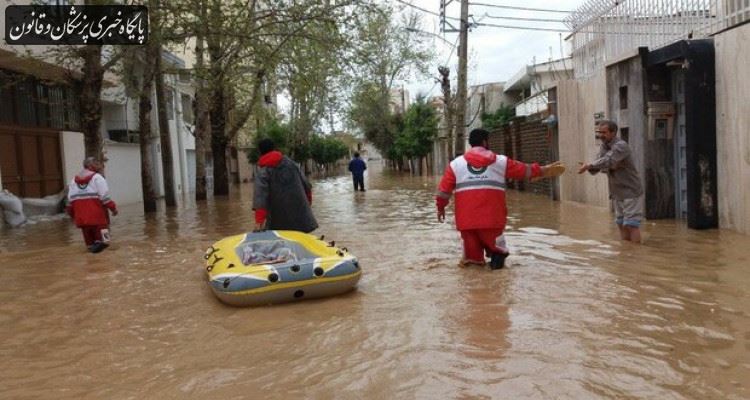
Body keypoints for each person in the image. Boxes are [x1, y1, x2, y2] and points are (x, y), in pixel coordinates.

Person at [436, 129, 564, 269]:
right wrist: (542, 170)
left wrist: (440, 208)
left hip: (466, 224)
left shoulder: (455, 165)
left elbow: (443, 192)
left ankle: (474, 288)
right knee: (498, 254)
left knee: (472, 264)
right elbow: (524, 170)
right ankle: (497, 285)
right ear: (485, 142)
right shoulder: (500, 162)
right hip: (492, 221)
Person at [578, 120, 643, 243]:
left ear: (613, 132)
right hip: (617, 192)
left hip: (631, 191)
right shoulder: (604, 146)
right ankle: (627, 252)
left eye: (604, 132)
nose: (601, 135)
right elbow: (600, 163)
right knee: (620, 223)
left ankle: (636, 254)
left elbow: (608, 161)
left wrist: (590, 165)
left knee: (631, 224)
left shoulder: (621, 146)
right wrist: (590, 167)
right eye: (599, 132)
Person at [253, 138, 318, 233]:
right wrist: (307, 207)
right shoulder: (292, 164)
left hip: (280, 224)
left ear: (260, 152)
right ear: (274, 148)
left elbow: (260, 199)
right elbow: (307, 186)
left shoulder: (263, 172)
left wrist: (258, 223)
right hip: (303, 220)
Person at [67, 157, 118, 253]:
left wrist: (74, 217)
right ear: (91, 166)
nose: (101, 166)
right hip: (99, 220)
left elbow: (70, 203)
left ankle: (91, 266)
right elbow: (105, 198)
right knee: (106, 243)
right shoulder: (98, 178)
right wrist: (114, 209)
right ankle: (104, 266)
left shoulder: (73, 180)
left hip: (83, 221)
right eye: (97, 164)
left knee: (90, 247)